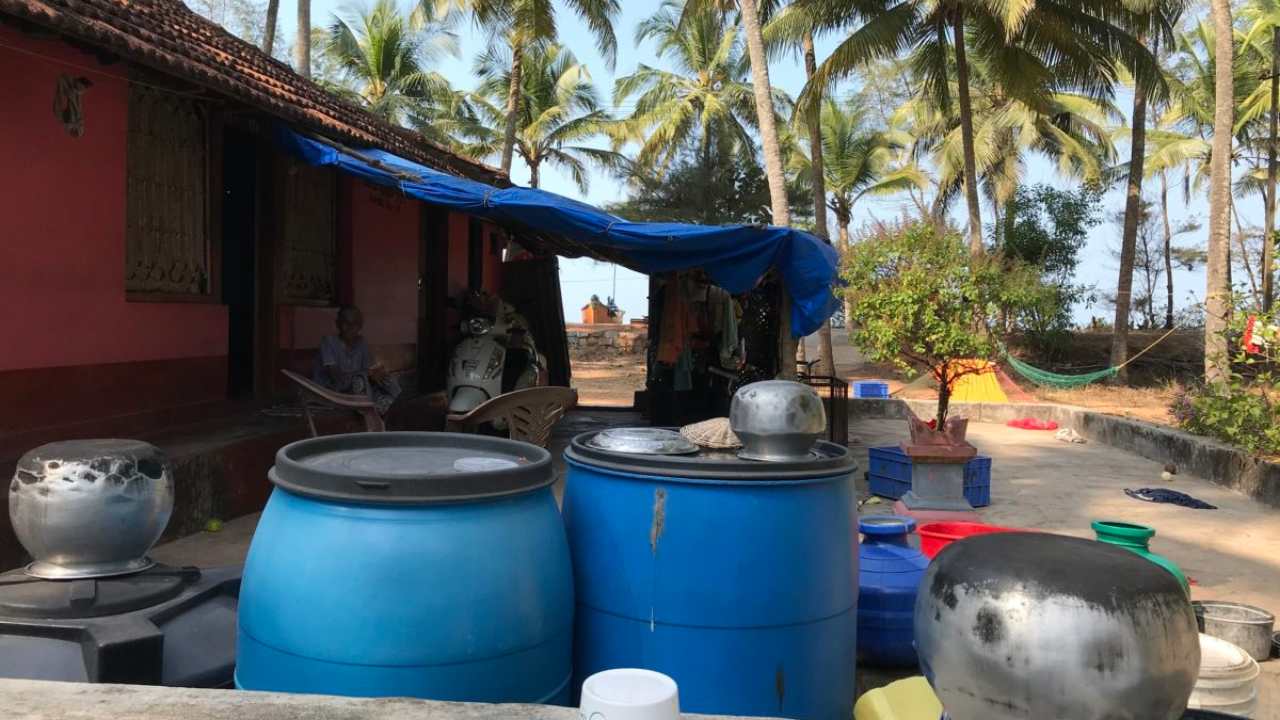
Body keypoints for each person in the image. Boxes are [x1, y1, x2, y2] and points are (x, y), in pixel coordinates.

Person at [313, 305, 401, 415]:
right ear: (337, 324)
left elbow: (369, 370)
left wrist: (377, 374)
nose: (350, 327)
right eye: (345, 323)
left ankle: (393, 405)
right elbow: (337, 378)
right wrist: (366, 374)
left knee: (388, 378)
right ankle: (369, 410)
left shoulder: (361, 343)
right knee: (360, 379)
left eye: (354, 324)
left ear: (360, 327)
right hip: (333, 391)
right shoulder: (329, 342)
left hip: (357, 389)